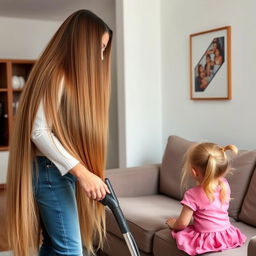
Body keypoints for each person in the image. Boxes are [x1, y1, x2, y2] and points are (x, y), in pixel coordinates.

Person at [6, 9, 113, 256]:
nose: (100, 56)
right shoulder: (57, 73)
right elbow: (39, 131)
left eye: (104, 49)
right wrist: (83, 173)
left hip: (53, 172)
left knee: (54, 245)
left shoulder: (66, 76)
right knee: (71, 250)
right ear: (82, 42)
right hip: (49, 173)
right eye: (99, 47)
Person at [166, 142, 246, 255]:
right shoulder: (224, 184)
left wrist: (173, 224)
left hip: (206, 238)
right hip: (226, 234)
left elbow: (182, 223)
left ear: (194, 172)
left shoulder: (192, 194)